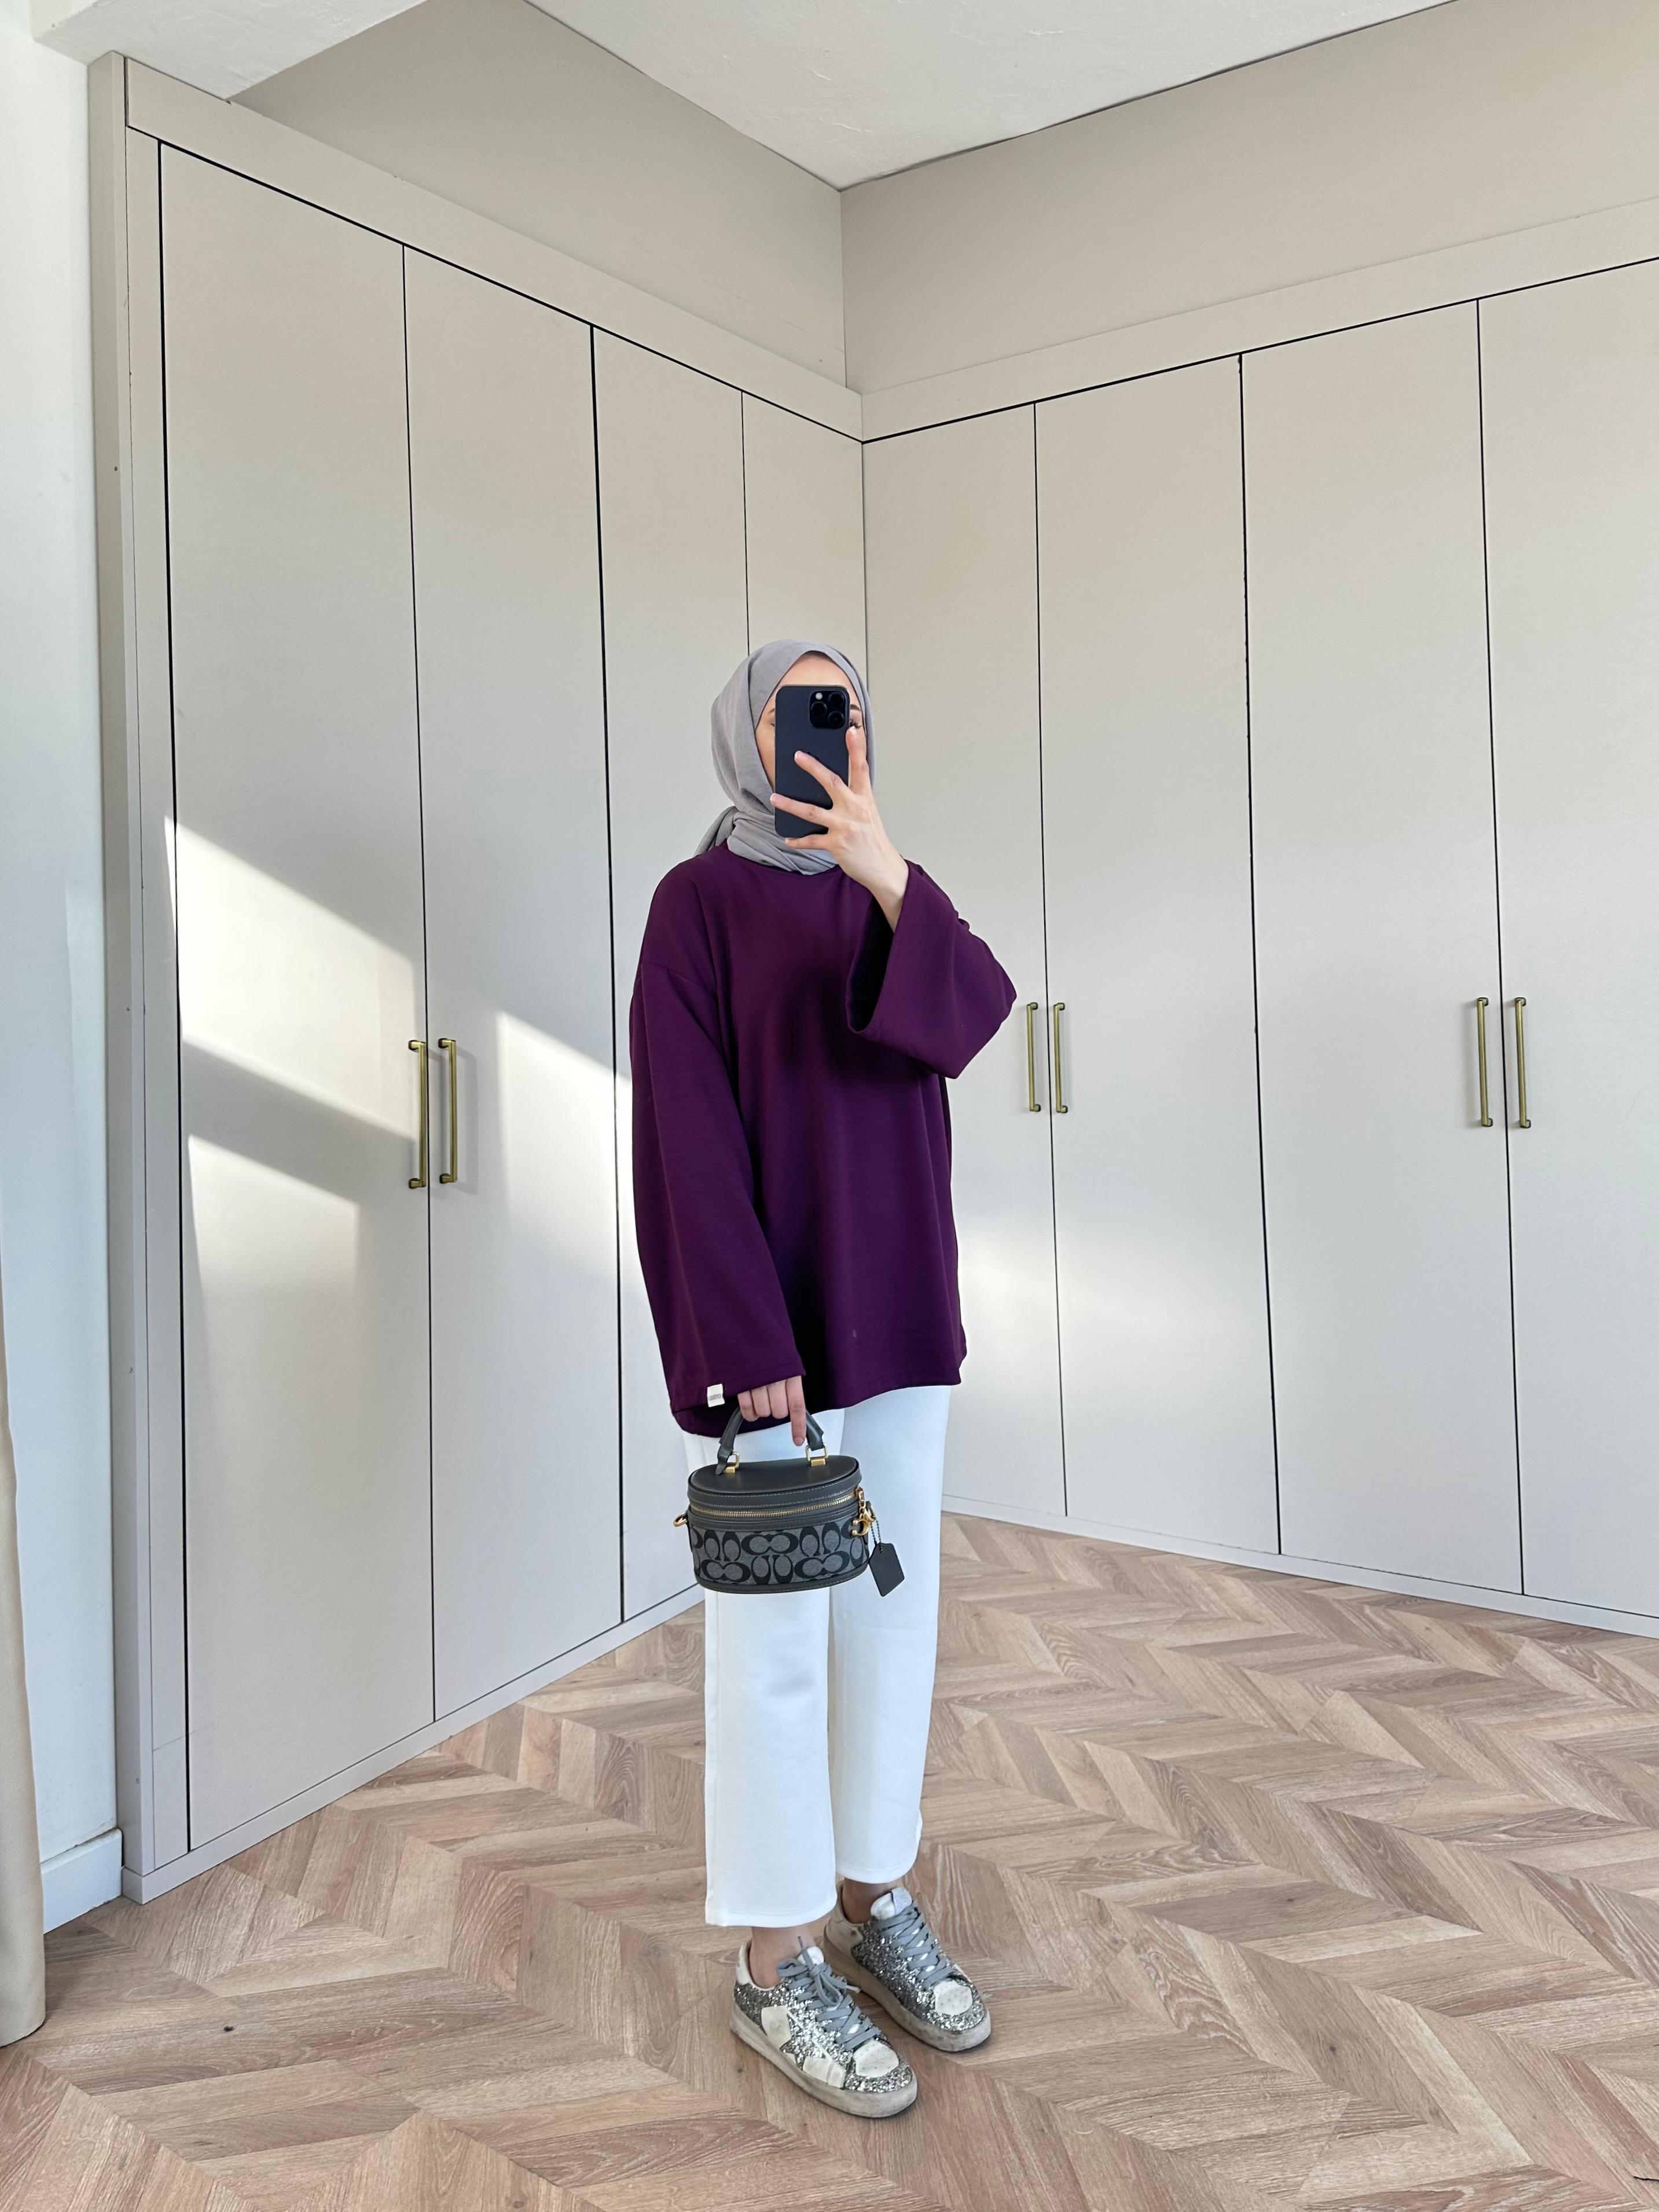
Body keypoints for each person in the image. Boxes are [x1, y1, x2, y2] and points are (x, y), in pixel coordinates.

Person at [629, 638, 1016, 2118]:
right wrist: (744, 1349)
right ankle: (771, 1953)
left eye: (843, 710)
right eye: (798, 711)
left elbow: (967, 1019)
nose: (824, 732)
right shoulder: (696, 904)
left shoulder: (885, 894)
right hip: (774, 1344)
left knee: (888, 1624)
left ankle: (871, 1892)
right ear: (746, 733)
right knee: (777, 1645)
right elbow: (685, 1139)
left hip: (898, 1313)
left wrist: (886, 870)